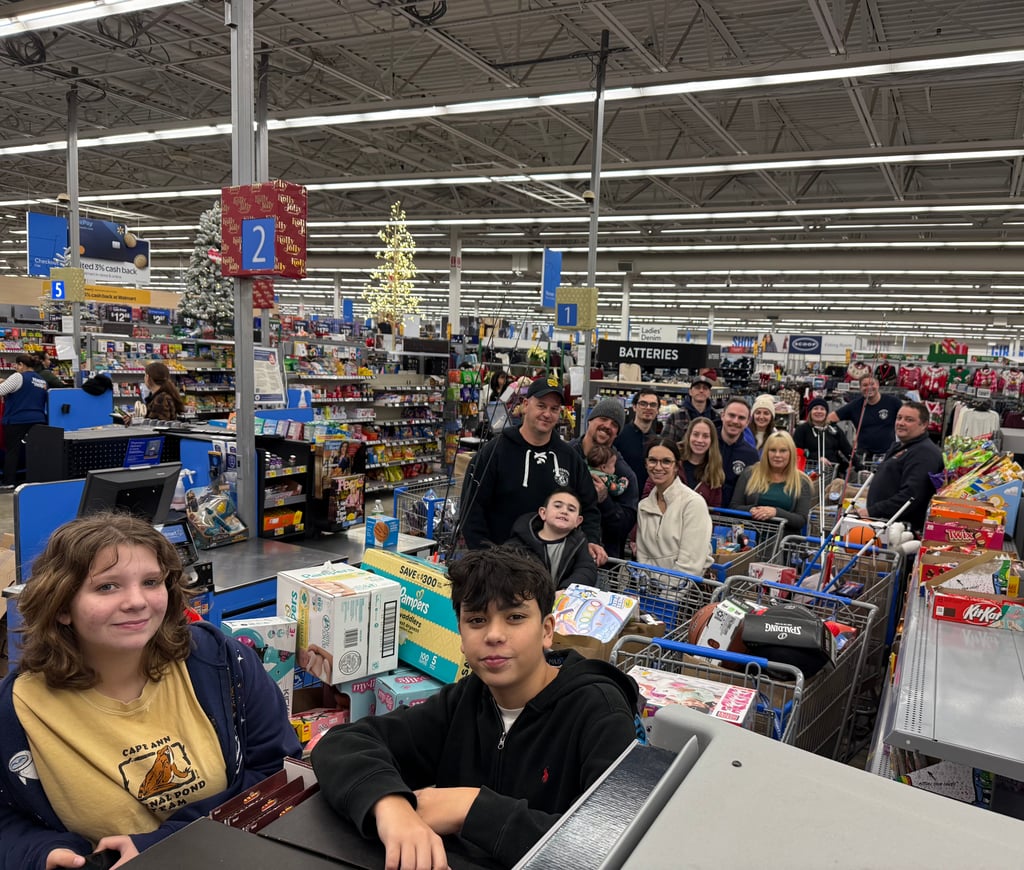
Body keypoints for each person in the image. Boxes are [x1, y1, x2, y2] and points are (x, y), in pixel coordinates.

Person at [0, 513, 301, 870]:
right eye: (107, 587)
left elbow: (278, 771)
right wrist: (40, 852)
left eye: (151, 582)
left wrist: (165, 842)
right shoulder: (18, 709)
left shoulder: (222, 663)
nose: (137, 601)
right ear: (63, 606)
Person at [311, 545, 639, 870]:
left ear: (547, 630)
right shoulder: (466, 700)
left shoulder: (599, 711)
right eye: (477, 620)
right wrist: (390, 805)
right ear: (461, 634)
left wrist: (470, 808)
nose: (494, 635)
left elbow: (614, 845)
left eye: (515, 617)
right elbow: (342, 743)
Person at [459, 378, 605, 565]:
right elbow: (472, 510)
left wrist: (592, 539)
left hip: (554, 567)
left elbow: (589, 506)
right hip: (500, 565)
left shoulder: (569, 457)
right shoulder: (494, 452)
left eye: (554, 409)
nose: (547, 414)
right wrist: (486, 558)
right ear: (526, 405)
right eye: (541, 406)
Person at [568, 398, 637, 560]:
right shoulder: (566, 454)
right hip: (562, 549)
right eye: (603, 419)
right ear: (590, 420)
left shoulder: (623, 474)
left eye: (614, 424)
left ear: (617, 433)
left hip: (602, 559)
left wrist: (605, 500)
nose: (607, 426)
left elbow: (624, 527)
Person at [859, 401, 943, 532]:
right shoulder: (901, 446)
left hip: (899, 530)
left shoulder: (925, 453)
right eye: (899, 418)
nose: (901, 423)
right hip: (881, 523)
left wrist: (872, 511)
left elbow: (911, 496)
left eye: (909, 420)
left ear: (924, 425)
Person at [636, 438, 713, 575]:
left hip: (686, 586)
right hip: (650, 586)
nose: (658, 467)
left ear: (676, 466)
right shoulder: (643, 506)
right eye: (652, 460)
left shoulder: (693, 503)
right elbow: (642, 558)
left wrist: (666, 588)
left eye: (666, 461)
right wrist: (646, 585)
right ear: (646, 464)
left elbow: (689, 566)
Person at [508, 487, 598, 589]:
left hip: (563, 596)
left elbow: (586, 569)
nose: (564, 511)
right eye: (558, 506)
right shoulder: (519, 542)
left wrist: (566, 590)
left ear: (578, 521)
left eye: (571, 509)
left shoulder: (579, 543)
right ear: (543, 513)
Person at [730, 430, 813, 535]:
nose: (777, 455)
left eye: (783, 451)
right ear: (766, 452)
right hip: (749, 538)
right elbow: (734, 506)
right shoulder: (750, 473)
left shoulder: (802, 482)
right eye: (773, 450)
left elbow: (801, 520)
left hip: (783, 541)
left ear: (791, 453)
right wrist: (751, 510)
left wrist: (775, 512)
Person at [826, 374, 903, 460]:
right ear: (860, 388)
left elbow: (908, 422)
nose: (869, 387)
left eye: (872, 384)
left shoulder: (893, 402)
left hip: (889, 455)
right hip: (864, 456)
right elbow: (829, 419)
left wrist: (903, 447)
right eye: (865, 385)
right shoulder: (854, 406)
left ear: (878, 385)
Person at [0, 354, 48, 491]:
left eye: (17, 365)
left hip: (17, 419)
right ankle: (34, 479)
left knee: (12, 451)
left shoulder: (18, 376)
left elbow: (1, 391)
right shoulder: (41, 380)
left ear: (21, 365)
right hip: (38, 420)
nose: (16, 367)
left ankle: (9, 482)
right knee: (34, 451)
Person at [793, 397, 854, 475]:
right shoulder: (802, 429)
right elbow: (797, 451)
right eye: (815, 408)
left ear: (826, 412)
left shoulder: (834, 429)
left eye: (822, 409)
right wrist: (817, 458)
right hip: (808, 472)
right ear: (810, 412)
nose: (819, 411)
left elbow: (847, 450)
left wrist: (860, 467)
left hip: (832, 473)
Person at [716, 398, 760, 506]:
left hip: (733, 513)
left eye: (741, 418)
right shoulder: (706, 444)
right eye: (731, 415)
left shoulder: (751, 455)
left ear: (747, 422)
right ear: (722, 416)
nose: (735, 421)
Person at [615, 389, 660, 491]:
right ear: (634, 407)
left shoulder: (657, 442)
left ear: (657, 410)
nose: (648, 408)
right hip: (621, 494)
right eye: (643, 404)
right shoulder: (619, 435)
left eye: (653, 405)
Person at [678, 417, 725, 508]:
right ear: (689, 436)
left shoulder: (715, 471)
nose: (700, 440)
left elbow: (715, 509)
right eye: (696, 434)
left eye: (705, 436)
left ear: (712, 440)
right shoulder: (672, 460)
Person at [662, 373, 718, 443]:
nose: (701, 390)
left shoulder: (716, 417)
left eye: (705, 388)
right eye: (697, 387)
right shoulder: (675, 417)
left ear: (709, 393)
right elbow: (666, 444)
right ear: (690, 392)